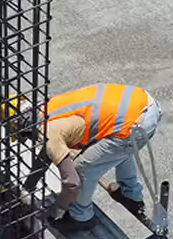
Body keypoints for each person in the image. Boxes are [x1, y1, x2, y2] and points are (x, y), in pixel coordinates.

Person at [30, 82, 160, 226]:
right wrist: (29, 185)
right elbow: (48, 152)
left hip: (135, 125)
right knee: (117, 149)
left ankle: (80, 216)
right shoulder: (52, 107)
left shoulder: (47, 131)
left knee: (82, 167)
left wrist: (58, 209)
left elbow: (72, 182)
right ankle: (131, 195)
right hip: (144, 104)